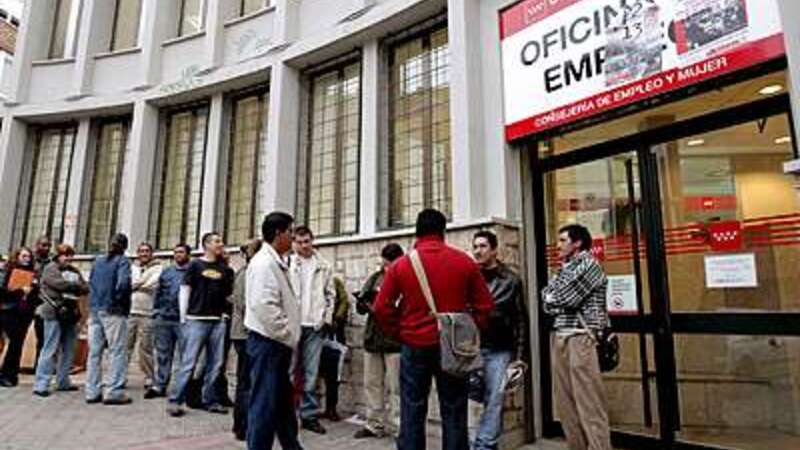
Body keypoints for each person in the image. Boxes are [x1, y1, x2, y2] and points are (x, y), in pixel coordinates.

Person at [374, 209, 495, 450]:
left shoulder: (401, 265)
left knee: (412, 408)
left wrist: (400, 332)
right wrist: (469, 332)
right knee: (454, 409)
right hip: (454, 346)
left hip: (414, 345)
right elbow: (485, 306)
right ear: (443, 231)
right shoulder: (464, 262)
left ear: (417, 231)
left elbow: (381, 308)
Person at [542, 224, 611, 450]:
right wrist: (552, 297)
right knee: (566, 403)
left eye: (563, 240)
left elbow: (567, 298)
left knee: (589, 402)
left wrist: (552, 297)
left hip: (582, 336)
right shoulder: (563, 268)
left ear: (577, 243)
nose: (558, 245)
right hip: (561, 335)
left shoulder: (590, 265)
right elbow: (546, 301)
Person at [245, 212, 303, 450]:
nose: (293, 237)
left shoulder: (275, 261)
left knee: (282, 404)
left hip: (275, 343)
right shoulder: (264, 264)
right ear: (279, 233)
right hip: (269, 342)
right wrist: (287, 333)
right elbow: (264, 306)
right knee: (264, 404)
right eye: (290, 232)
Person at [167, 232, 234, 417]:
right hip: (196, 320)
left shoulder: (224, 269)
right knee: (189, 363)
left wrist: (224, 315)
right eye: (217, 241)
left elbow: (228, 295)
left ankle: (209, 399)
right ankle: (175, 401)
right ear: (207, 244)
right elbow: (185, 289)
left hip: (217, 322)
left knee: (216, 363)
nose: (221, 244)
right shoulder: (195, 265)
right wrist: (184, 317)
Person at [472, 230, 527, 450]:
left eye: (483, 246)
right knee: (474, 396)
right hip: (472, 349)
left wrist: (519, 357)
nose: (477, 251)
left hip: (499, 349)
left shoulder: (511, 280)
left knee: (495, 399)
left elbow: (520, 320)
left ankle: (485, 445)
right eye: (475, 246)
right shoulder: (470, 277)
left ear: (495, 250)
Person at [353, 243, 404, 439]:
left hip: (395, 341)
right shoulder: (375, 278)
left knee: (396, 387)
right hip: (373, 338)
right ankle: (374, 424)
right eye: (384, 264)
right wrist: (363, 302)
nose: (386, 268)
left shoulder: (406, 279)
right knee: (372, 384)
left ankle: (400, 427)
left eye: (390, 264)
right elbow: (361, 307)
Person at [289, 226, 335, 434]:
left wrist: (326, 319)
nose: (303, 246)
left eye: (306, 241)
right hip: (291, 326)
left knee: (311, 372)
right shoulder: (287, 263)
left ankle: (308, 415)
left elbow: (330, 295)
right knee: (289, 371)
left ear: (312, 240)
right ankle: (286, 414)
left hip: (314, 326)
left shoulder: (323, 265)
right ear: (293, 243)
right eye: (299, 242)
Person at [33, 244, 88, 396]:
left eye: (70, 255)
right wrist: (75, 286)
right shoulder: (51, 268)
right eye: (65, 255)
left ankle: (63, 381)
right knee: (50, 348)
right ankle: (41, 383)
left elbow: (85, 287)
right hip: (54, 312)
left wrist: (75, 287)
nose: (68, 258)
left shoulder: (74, 270)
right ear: (58, 255)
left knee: (69, 348)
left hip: (71, 313)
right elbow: (58, 284)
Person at [85, 233, 133, 405]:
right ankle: (114, 391)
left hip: (95, 309)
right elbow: (123, 284)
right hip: (113, 310)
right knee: (117, 350)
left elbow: (90, 283)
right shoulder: (123, 261)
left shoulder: (97, 261)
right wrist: (119, 302)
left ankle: (92, 391)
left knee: (94, 352)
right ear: (124, 247)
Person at [146, 243, 191, 399]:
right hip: (164, 318)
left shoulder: (193, 271)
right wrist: (156, 312)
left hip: (183, 320)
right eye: (176, 252)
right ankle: (160, 385)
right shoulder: (167, 272)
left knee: (185, 355)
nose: (178, 255)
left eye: (181, 252)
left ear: (188, 255)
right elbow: (158, 293)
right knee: (163, 354)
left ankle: (181, 388)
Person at [229, 238, 262, 441]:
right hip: (245, 334)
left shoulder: (253, 271)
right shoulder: (246, 273)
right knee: (246, 382)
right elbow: (243, 303)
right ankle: (242, 426)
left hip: (248, 332)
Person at [0, 247, 38, 387]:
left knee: (18, 344)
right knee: (13, 343)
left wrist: (34, 289)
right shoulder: (9, 271)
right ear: (17, 257)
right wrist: (20, 291)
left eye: (28, 256)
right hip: (10, 311)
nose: (26, 259)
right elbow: (4, 293)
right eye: (23, 256)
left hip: (25, 313)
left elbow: (36, 295)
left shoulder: (33, 273)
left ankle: (11, 374)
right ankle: (5, 374)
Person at [127, 242, 162, 392]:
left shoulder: (158, 268)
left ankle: (149, 377)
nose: (144, 254)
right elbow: (127, 284)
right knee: (125, 347)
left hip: (148, 313)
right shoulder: (132, 268)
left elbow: (152, 285)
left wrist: (135, 285)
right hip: (129, 312)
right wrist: (139, 284)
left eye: (147, 251)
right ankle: (119, 376)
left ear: (151, 253)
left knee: (146, 348)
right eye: (141, 251)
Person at [318, 275, 350, 422]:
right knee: (319, 373)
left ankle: (331, 408)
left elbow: (344, 301)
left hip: (333, 334)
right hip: (318, 333)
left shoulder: (334, 281)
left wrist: (335, 319)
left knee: (333, 375)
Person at [32, 236, 53, 368]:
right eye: (44, 245)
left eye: (48, 246)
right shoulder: (32, 261)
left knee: (43, 336)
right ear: (37, 246)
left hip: (44, 302)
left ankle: (39, 364)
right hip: (29, 301)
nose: (46, 248)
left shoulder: (51, 263)